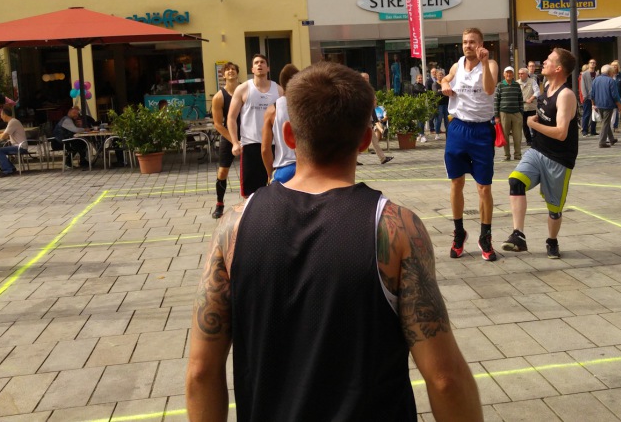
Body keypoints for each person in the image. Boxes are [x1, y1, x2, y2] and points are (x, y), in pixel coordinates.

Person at [185, 62, 482, 422]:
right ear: (362, 140)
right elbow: (444, 378)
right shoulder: (396, 228)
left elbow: (201, 372)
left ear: (290, 137)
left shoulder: (234, 225)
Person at [501, 48, 578, 259]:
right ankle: (518, 235)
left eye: (549, 60)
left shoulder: (566, 95)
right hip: (537, 150)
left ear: (559, 68)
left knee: (554, 209)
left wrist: (531, 124)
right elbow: (543, 117)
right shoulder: (545, 89)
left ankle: (552, 241)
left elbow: (561, 133)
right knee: (515, 181)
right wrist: (535, 121)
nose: (543, 62)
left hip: (559, 159)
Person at [440, 27, 499, 261]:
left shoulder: (491, 65)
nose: (468, 45)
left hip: (482, 130)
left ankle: (485, 235)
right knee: (456, 183)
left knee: (484, 187)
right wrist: (445, 83)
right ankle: (459, 233)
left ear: (481, 44)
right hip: (458, 128)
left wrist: (484, 64)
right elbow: (446, 77)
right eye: (465, 42)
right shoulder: (457, 65)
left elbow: (489, 89)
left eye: (472, 42)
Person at [227, 53, 282, 199]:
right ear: (252, 68)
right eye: (256, 63)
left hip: (273, 145)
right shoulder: (243, 89)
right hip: (251, 145)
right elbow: (231, 118)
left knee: (274, 187)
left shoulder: (278, 90)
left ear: (268, 67)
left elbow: (285, 119)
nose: (259, 65)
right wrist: (234, 142)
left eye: (262, 62)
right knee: (251, 193)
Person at [209, 62, 240, 219]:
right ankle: (219, 204)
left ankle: (253, 202)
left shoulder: (246, 90)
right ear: (223, 75)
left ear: (237, 73)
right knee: (223, 171)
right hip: (229, 137)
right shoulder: (219, 97)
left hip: (248, 135)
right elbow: (217, 124)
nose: (230, 71)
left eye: (233, 69)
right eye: (227, 70)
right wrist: (234, 141)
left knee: (255, 169)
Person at [262, 64, 300, 184]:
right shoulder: (308, 105)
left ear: (281, 83)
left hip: (285, 169)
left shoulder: (272, 110)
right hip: (307, 168)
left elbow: (265, 149)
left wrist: (269, 174)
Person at [494, 66, 524, 161]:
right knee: (505, 136)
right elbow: (496, 101)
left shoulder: (516, 85)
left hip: (516, 114)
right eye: (507, 72)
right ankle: (507, 155)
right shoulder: (500, 85)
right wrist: (496, 116)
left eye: (510, 72)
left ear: (513, 74)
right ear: (504, 74)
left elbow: (520, 99)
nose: (509, 74)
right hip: (504, 114)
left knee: (517, 136)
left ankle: (518, 155)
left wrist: (521, 112)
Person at [591, 64, 621, 148]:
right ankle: (602, 142)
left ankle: (611, 139)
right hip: (608, 104)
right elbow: (615, 95)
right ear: (609, 72)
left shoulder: (595, 80)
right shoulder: (611, 81)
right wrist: (619, 105)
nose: (613, 73)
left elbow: (592, 94)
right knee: (605, 122)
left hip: (599, 104)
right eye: (612, 72)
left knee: (605, 122)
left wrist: (593, 104)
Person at [0, 106, 28, 176]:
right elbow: (6, 134)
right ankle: (10, 168)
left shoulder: (12, 122)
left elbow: (4, 136)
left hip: (20, 146)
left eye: (1, 115)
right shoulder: (12, 121)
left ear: (5, 115)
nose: (1, 117)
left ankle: (7, 170)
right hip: (17, 145)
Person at [369, 96, 395, 165]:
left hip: (370, 125)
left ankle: (383, 158)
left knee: (375, 142)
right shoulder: (366, 106)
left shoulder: (375, 108)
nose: (374, 101)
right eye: (373, 100)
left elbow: (375, 119)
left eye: (375, 100)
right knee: (357, 144)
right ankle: (351, 160)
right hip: (364, 126)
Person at [517, 66, 540, 145]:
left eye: (522, 74)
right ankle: (529, 140)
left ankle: (536, 138)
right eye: (519, 74)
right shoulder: (517, 83)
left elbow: (537, 92)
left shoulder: (532, 81)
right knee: (524, 124)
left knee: (533, 123)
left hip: (531, 107)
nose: (520, 75)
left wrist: (531, 98)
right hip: (522, 107)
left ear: (527, 74)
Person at [579, 59, 597, 136]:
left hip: (596, 97)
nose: (592, 64)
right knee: (587, 114)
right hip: (587, 97)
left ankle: (593, 130)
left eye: (594, 63)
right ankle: (584, 130)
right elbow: (582, 86)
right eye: (591, 63)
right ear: (589, 64)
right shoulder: (584, 74)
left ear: (595, 64)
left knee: (595, 113)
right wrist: (585, 96)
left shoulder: (597, 74)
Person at [409, 74, 428, 142]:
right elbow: (415, 91)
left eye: (421, 78)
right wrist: (423, 91)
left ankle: (420, 134)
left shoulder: (423, 86)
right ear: (416, 79)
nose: (420, 79)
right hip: (417, 104)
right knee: (420, 120)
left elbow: (426, 92)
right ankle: (421, 134)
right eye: (419, 78)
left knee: (421, 120)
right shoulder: (414, 86)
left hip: (422, 103)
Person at [430, 67, 447, 140]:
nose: (440, 76)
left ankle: (448, 133)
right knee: (438, 119)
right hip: (439, 104)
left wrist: (441, 91)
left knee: (447, 120)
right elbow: (436, 93)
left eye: (441, 75)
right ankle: (437, 133)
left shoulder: (445, 83)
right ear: (436, 76)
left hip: (446, 103)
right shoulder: (434, 84)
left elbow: (448, 91)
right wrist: (443, 91)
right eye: (439, 75)